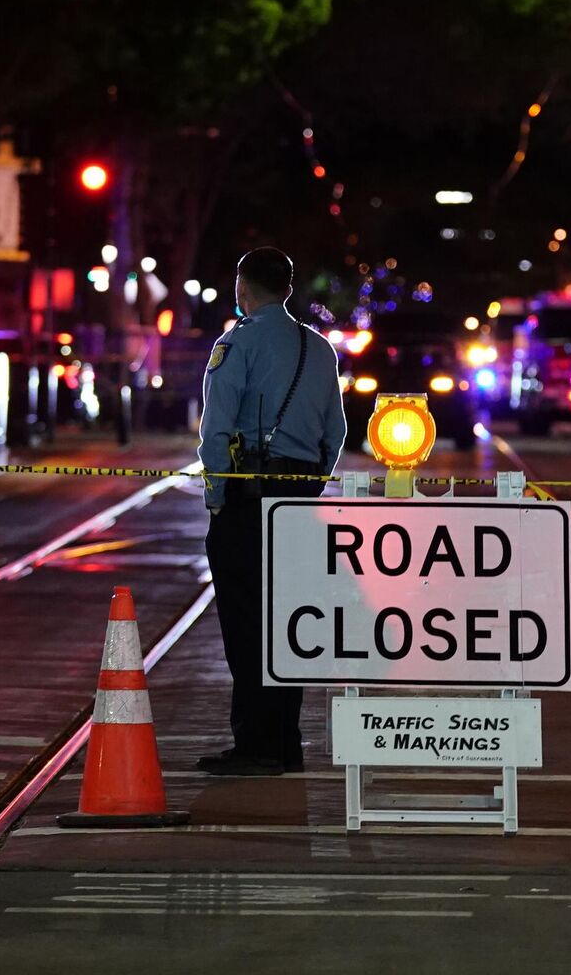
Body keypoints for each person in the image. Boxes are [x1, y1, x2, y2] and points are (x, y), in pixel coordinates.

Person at [197, 247, 348, 776]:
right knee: (289, 620)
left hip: (248, 494)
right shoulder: (320, 347)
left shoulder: (236, 343)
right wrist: (311, 483)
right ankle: (286, 740)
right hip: (299, 494)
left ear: (243, 288)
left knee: (245, 619)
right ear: (287, 288)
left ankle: (255, 744)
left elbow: (215, 431)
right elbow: (337, 431)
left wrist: (217, 497)